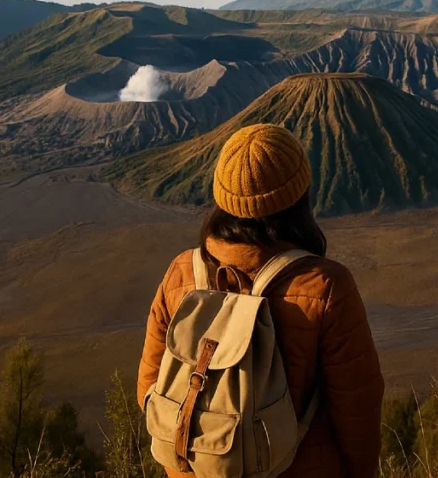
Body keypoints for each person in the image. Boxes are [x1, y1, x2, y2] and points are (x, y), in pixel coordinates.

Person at [137, 123, 385, 478]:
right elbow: (357, 411)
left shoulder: (181, 273)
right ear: (300, 198)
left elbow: (150, 390)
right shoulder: (325, 287)